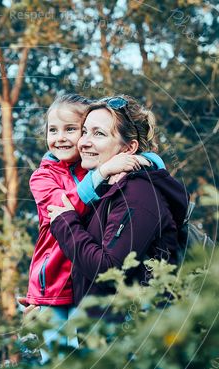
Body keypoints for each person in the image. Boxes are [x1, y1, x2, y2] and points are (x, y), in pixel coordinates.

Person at [20, 93, 165, 369]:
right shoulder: (44, 177)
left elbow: (146, 160)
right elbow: (64, 211)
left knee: (81, 368)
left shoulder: (99, 171)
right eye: (52, 130)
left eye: (73, 129)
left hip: (82, 283)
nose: (62, 138)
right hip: (55, 284)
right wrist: (104, 172)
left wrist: (146, 162)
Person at [47, 95, 189, 314]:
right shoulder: (105, 193)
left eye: (99, 134)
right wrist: (46, 303)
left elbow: (108, 270)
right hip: (105, 340)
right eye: (84, 131)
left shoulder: (139, 194)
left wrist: (66, 224)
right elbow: (84, 267)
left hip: (133, 340)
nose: (83, 142)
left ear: (129, 148)